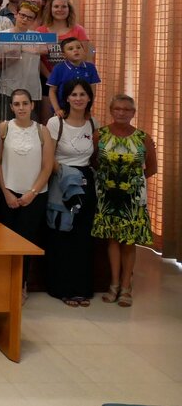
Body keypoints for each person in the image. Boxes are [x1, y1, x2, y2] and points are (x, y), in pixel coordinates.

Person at [93, 94, 157, 308]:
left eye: (126, 109)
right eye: (117, 109)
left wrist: (132, 182)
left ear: (133, 113)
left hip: (132, 198)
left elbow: (152, 168)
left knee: (129, 242)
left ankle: (126, 286)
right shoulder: (100, 135)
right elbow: (93, 161)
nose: (121, 113)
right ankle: (113, 284)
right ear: (111, 111)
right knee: (112, 240)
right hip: (108, 195)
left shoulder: (143, 138)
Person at [0, 88, 55, 302]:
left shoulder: (42, 131)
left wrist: (32, 193)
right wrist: (6, 192)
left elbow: (47, 166)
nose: (21, 108)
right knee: (6, 242)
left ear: (32, 105)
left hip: (35, 196)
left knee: (26, 242)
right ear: (11, 107)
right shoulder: (4, 128)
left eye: (25, 103)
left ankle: (21, 284)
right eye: (17, 104)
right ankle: (5, 283)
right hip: (8, 194)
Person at [44, 80, 99, 306]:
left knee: (83, 236)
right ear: (66, 98)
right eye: (74, 94)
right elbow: (49, 158)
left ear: (89, 98)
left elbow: (94, 157)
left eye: (82, 94)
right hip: (63, 180)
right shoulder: (55, 122)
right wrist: (68, 177)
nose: (78, 98)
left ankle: (81, 288)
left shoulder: (93, 123)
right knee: (62, 233)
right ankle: (62, 288)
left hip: (86, 181)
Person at [0, 1, 44, 120]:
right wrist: (7, 54)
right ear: (16, 14)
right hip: (8, 89)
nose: (25, 19)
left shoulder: (37, 36)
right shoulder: (2, 35)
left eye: (29, 17)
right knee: (6, 124)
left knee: (32, 124)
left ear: (33, 20)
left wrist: (24, 48)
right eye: (22, 15)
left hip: (31, 90)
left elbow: (45, 50)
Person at [47, 38, 101, 117]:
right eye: (71, 49)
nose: (75, 50)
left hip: (82, 110)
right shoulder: (59, 68)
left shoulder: (90, 68)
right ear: (64, 55)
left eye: (78, 47)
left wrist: (88, 109)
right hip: (62, 111)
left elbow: (92, 91)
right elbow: (52, 91)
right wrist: (57, 109)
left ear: (83, 50)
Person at [37, 0, 92, 70]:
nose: (60, 9)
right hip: (46, 76)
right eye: (56, 6)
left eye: (64, 6)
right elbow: (37, 59)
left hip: (73, 75)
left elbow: (83, 57)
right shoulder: (40, 31)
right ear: (50, 9)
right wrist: (50, 76)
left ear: (69, 9)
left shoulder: (79, 30)